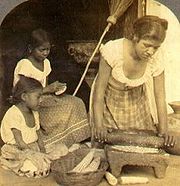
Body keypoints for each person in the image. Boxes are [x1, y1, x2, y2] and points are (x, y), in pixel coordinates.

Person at [92, 15, 177, 152]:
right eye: (147, 45)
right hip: (110, 103)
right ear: (135, 38)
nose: (151, 51)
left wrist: (164, 131)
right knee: (109, 147)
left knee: (141, 147)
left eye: (156, 47)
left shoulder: (156, 58)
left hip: (137, 104)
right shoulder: (113, 50)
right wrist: (99, 125)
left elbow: (160, 97)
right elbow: (99, 92)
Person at [13, 29, 90, 152]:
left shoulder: (46, 63)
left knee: (76, 102)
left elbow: (46, 85)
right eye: (41, 50)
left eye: (48, 49)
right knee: (62, 112)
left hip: (44, 97)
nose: (45, 53)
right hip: (29, 102)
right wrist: (47, 89)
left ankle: (76, 140)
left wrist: (55, 89)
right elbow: (23, 92)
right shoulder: (25, 65)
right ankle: (53, 142)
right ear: (30, 48)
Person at [0, 76, 68, 178]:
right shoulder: (14, 114)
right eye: (38, 97)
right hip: (18, 150)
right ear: (24, 97)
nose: (41, 100)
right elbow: (20, 142)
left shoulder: (34, 112)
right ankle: (16, 165)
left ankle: (44, 163)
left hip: (33, 147)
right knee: (32, 165)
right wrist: (35, 155)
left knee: (62, 149)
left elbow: (38, 135)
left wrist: (43, 152)